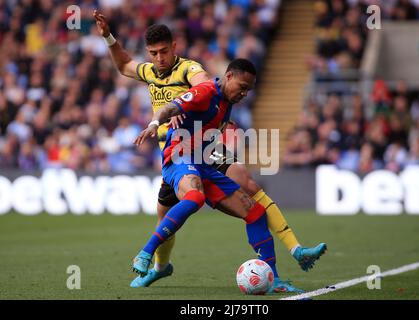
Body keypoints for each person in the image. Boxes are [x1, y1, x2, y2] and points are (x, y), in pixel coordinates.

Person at [93, 11, 326, 293]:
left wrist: (183, 107)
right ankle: (158, 265)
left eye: (164, 51)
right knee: (167, 213)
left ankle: (289, 257)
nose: (159, 58)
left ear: (174, 47)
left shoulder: (190, 71)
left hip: (204, 148)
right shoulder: (151, 72)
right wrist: (108, 36)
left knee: (249, 194)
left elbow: (203, 82)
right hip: (176, 151)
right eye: (154, 53)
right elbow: (124, 65)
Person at [132, 59, 326, 291]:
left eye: (248, 90)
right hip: (179, 157)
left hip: (204, 163)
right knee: (195, 198)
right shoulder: (205, 92)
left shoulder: (227, 102)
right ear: (229, 76)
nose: (244, 93)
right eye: (242, 86)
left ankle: (273, 279)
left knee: (255, 212)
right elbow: (171, 108)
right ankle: (145, 252)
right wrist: (155, 123)